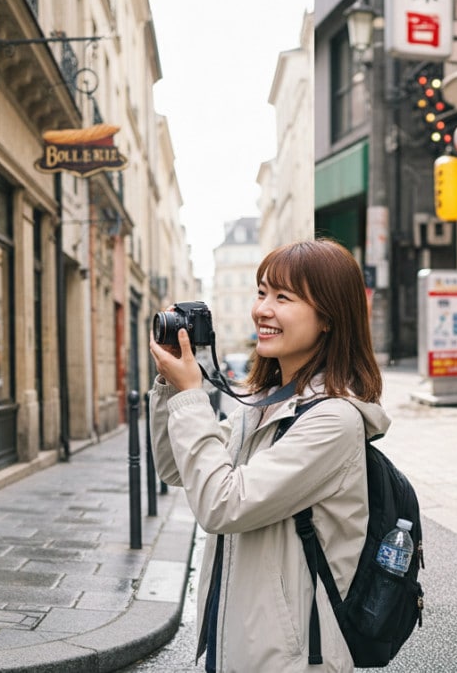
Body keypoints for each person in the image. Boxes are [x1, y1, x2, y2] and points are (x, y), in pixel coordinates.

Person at [149, 239, 389, 672]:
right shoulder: (264, 403)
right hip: (234, 643)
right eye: (261, 293)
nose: (262, 309)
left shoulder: (334, 420)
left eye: (283, 298)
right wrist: (171, 388)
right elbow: (174, 469)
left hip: (291, 658)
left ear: (328, 318)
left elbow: (221, 504)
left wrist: (191, 395)